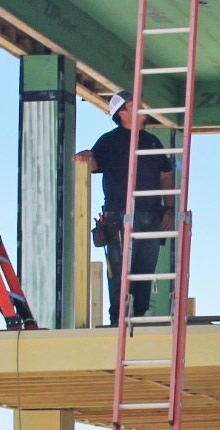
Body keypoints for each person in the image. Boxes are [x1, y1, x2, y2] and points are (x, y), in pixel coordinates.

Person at [73, 91, 174, 325]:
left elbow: (166, 176)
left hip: (151, 217)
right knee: (119, 273)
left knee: (144, 272)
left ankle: (137, 321)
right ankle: (118, 323)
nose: (140, 105)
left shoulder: (152, 141)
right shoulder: (109, 141)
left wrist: (169, 208)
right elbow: (94, 162)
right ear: (122, 113)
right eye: (133, 104)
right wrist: (87, 158)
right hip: (120, 217)